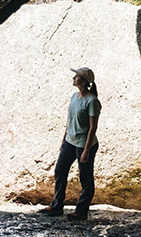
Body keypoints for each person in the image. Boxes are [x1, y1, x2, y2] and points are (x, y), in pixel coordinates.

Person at [38, 67, 101, 221]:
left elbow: (93, 127)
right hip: (70, 142)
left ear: (84, 81)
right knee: (60, 170)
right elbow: (70, 120)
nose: (74, 77)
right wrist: (63, 139)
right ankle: (57, 205)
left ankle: (81, 211)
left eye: (77, 76)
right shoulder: (74, 96)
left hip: (84, 144)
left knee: (85, 178)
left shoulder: (92, 101)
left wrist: (86, 150)